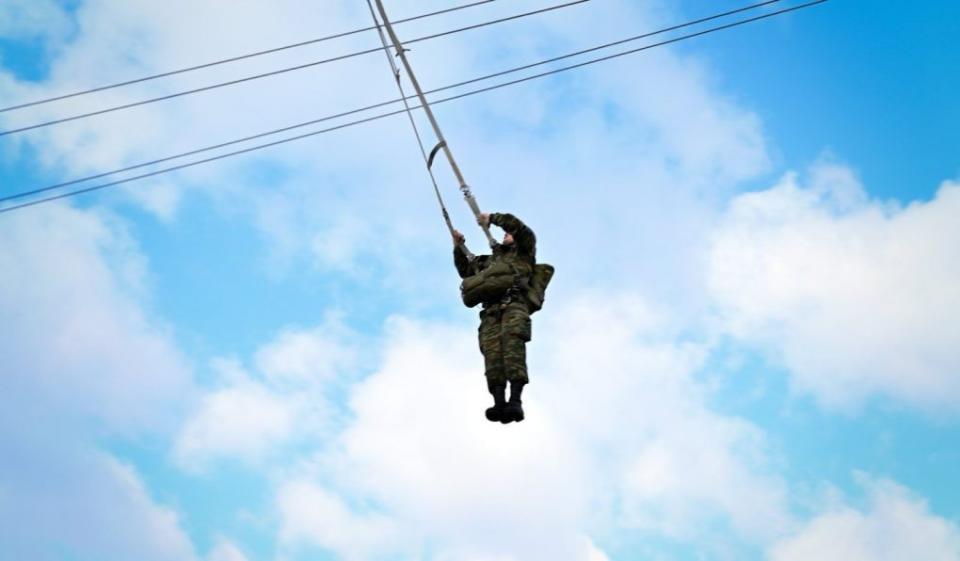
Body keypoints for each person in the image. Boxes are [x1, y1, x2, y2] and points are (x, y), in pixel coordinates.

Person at [453, 212, 536, 424]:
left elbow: (520, 229)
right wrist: (458, 247)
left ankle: (515, 401)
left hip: (513, 306)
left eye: (509, 233)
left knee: (512, 347)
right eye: (505, 233)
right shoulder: (489, 262)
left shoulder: (523, 253)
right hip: (490, 312)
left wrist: (493, 218)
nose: (506, 234)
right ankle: (499, 402)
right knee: (492, 355)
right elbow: (466, 271)